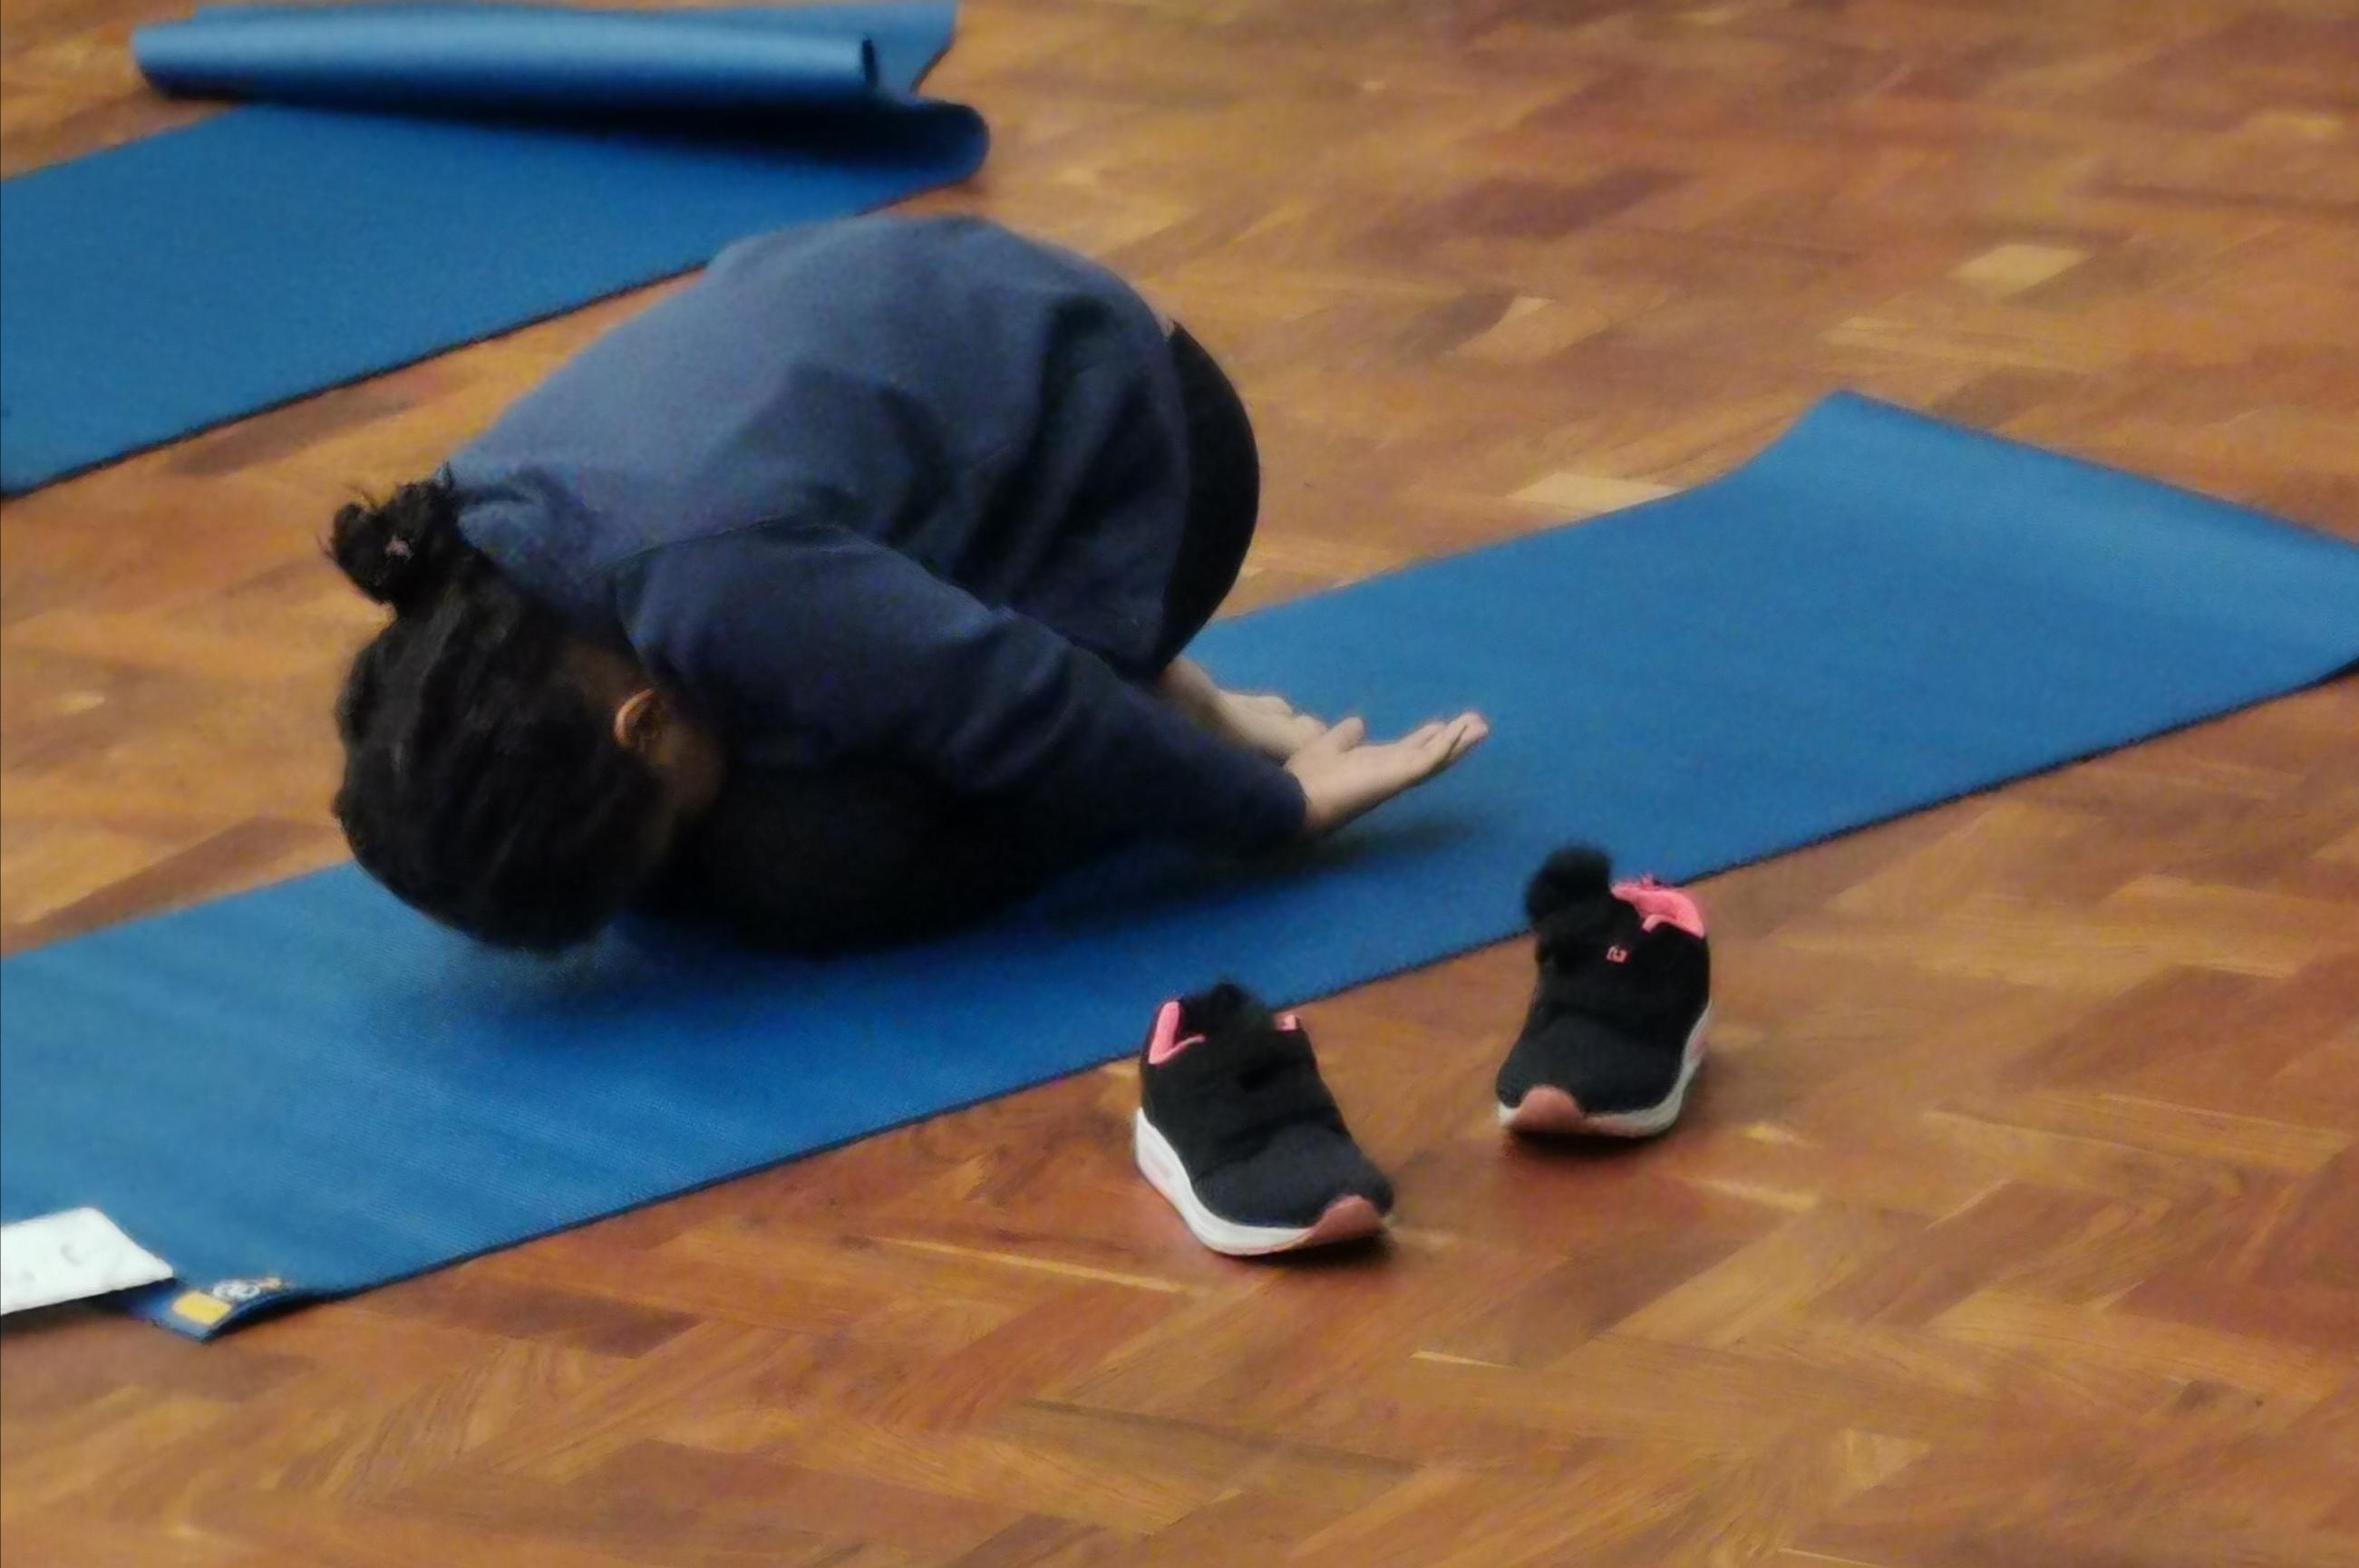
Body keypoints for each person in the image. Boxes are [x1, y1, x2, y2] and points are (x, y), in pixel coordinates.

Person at [328, 216, 1488, 954]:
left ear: (644, 720)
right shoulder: (475, 548)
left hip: (1153, 456)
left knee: (800, 865)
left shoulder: (714, 580)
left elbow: (1016, 697)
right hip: (971, 351)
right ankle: (1098, 685)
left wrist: (1270, 811)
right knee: (681, 853)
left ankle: (1139, 686)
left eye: (658, 806)